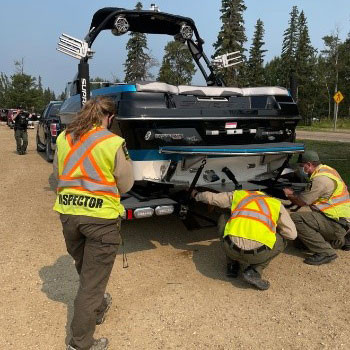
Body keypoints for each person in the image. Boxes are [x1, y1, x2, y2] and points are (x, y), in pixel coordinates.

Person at [53, 96, 134, 350]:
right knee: (91, 284)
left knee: (88, 273)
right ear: (109, 117)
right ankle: (79, 344)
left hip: (69, 216)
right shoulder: (113, 142)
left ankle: (97, 305)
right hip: (101, 221)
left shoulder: (64, 137)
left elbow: (58, 173)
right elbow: (126, 184)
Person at [192, 189, 297, 290]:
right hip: (258, 255)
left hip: (230, 249)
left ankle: (232, 265)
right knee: (283, 240)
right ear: (269, 195)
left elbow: (211, 198)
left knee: (223, 218)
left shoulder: (240, 195)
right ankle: (254, 271)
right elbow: (292, 234)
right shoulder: (276, 204)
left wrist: (196, 194)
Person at [283, 150, 350, 265]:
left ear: (309, 164)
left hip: (335, 222)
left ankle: (326, 252)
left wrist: (289, 194)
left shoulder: (320, 180)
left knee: (296, 219)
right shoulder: (328, 170)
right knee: (299, 243)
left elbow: (302, 202)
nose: (300, 169)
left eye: (301, 166)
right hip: (340, 220)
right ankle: (341, 241)